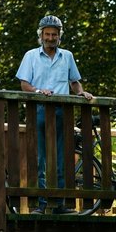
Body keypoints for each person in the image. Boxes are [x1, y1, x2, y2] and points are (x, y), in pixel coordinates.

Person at [16, 15, 94, 215]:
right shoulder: (31, 56)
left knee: (62, 158)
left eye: (55, 34)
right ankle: (41, 205)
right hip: (39, 111)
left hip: (62, 111)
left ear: (60, 37)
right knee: (40, 158)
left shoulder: (67, 56)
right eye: (47, 34)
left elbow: (74, 81)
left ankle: (59, 204)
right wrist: (37, 91)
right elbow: (24, 84)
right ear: (41, 35)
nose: (51, 37)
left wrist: (81, 93)